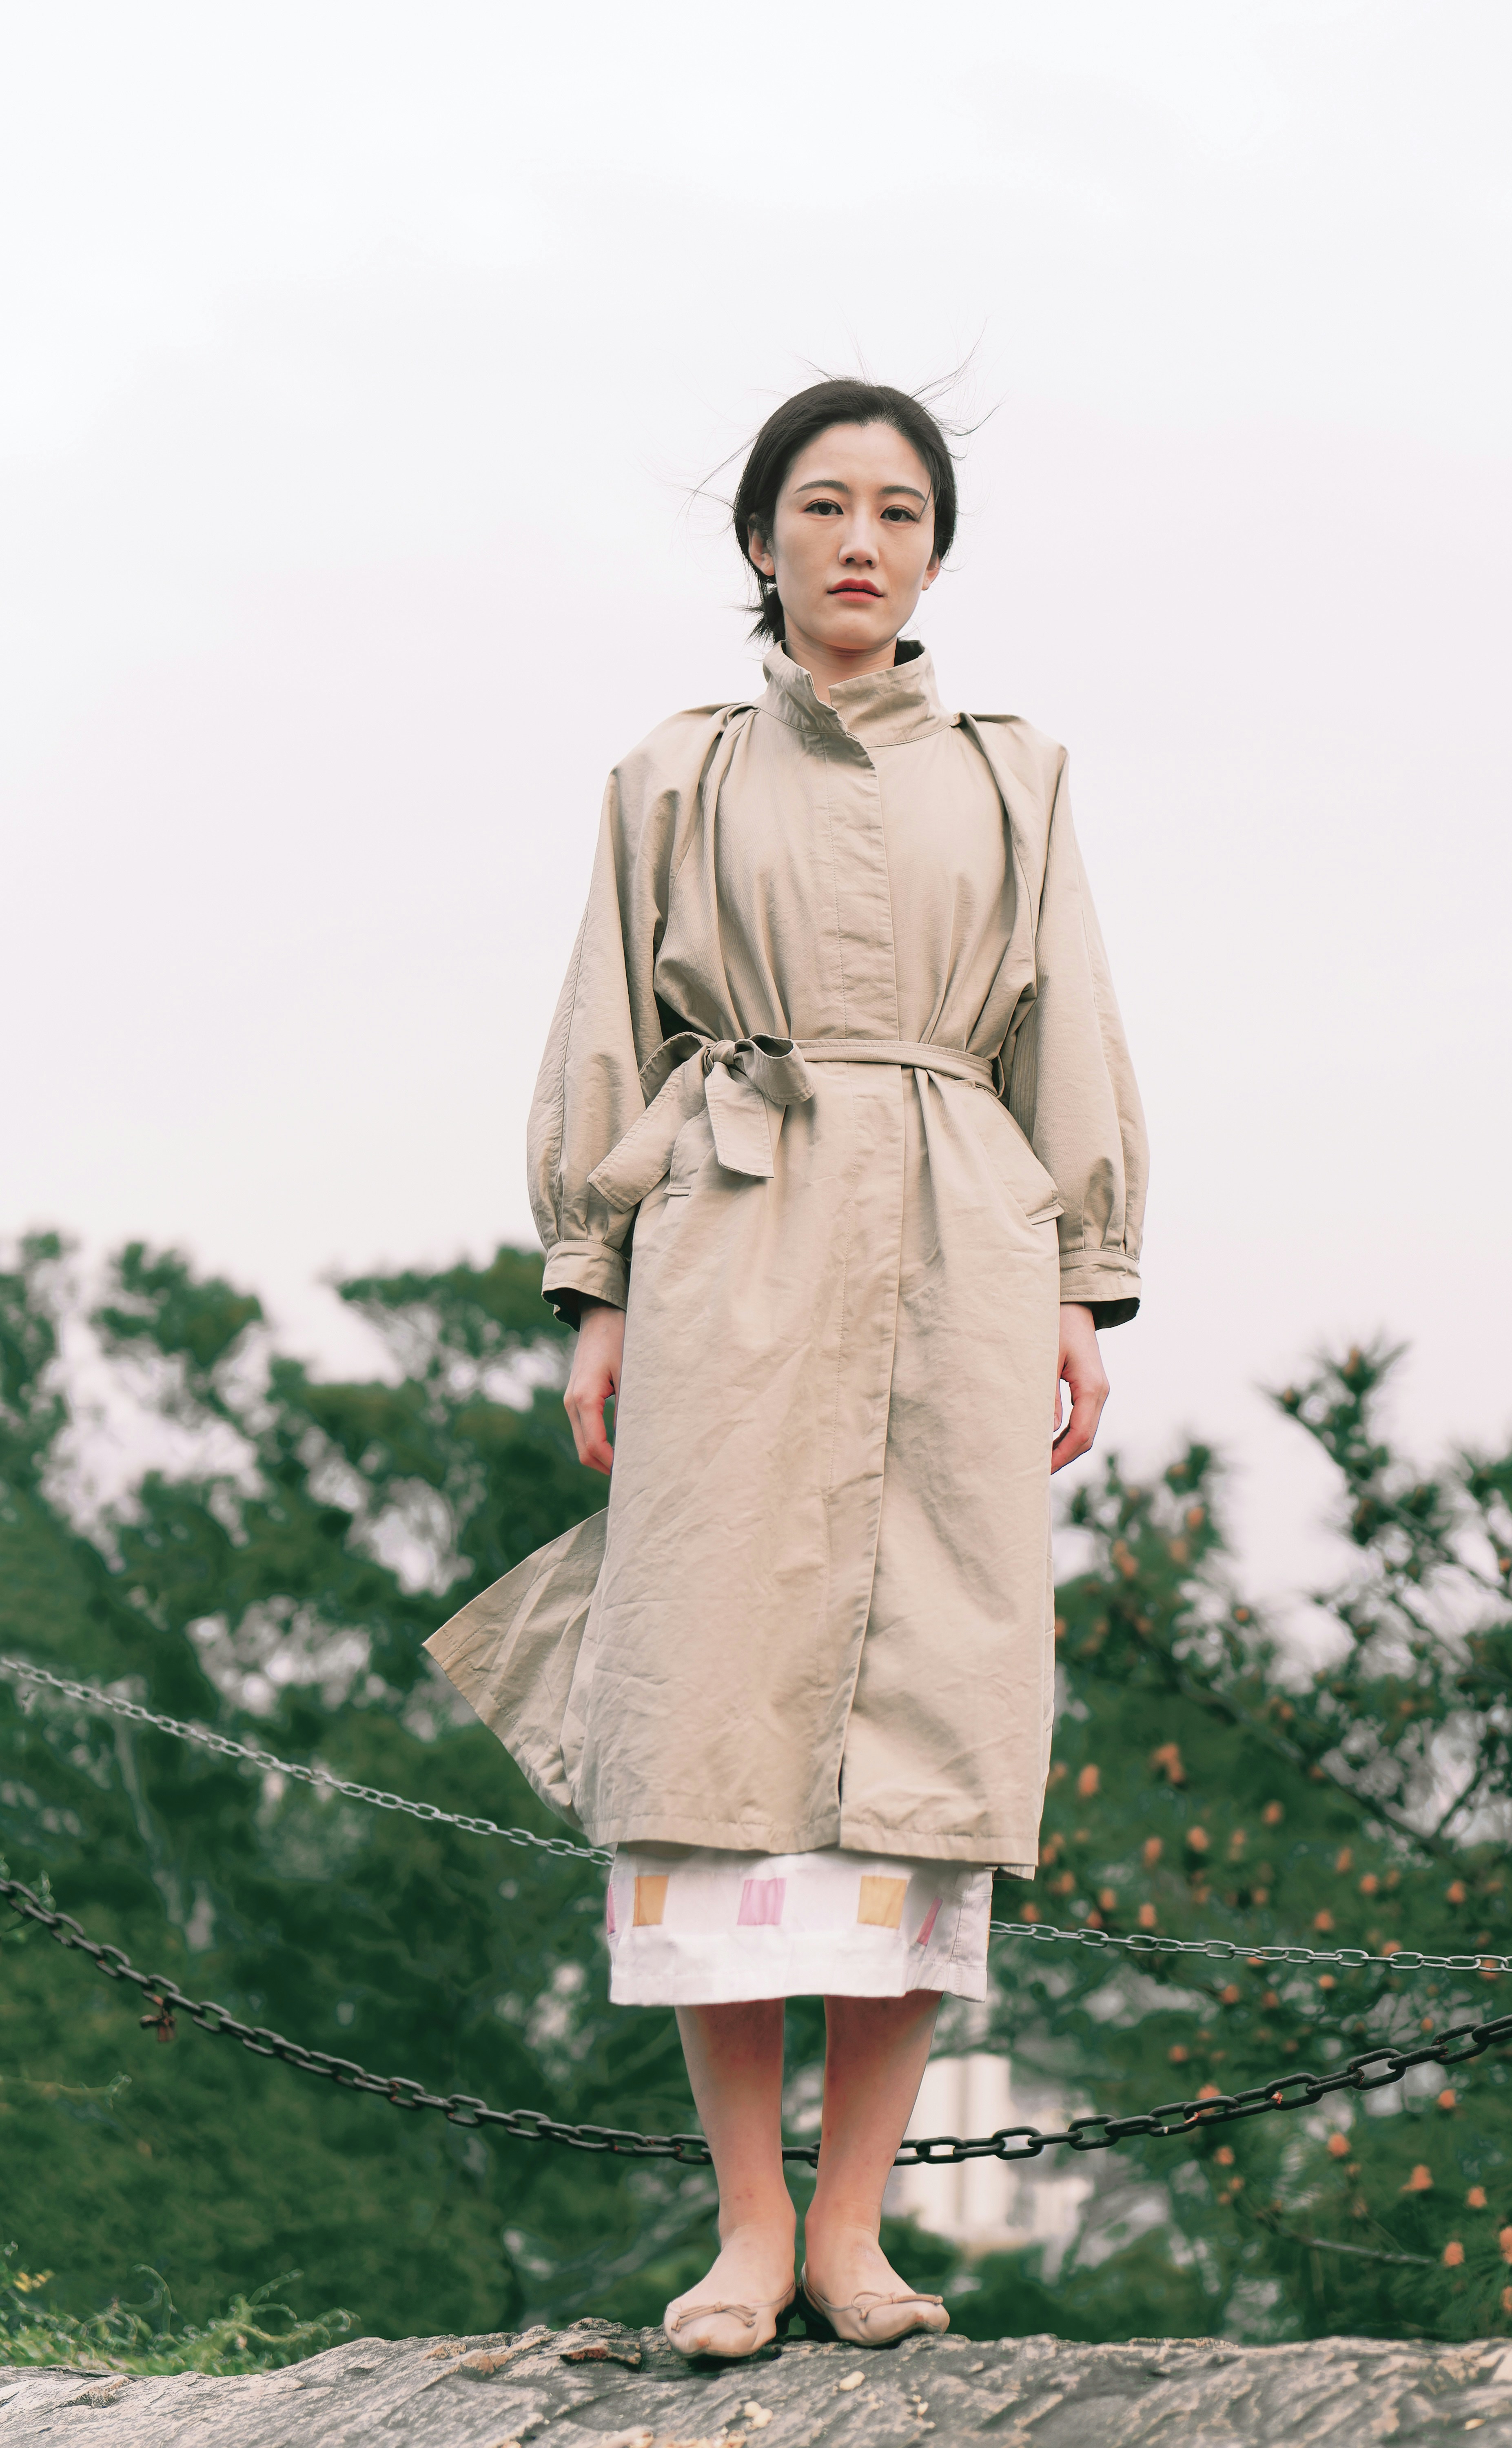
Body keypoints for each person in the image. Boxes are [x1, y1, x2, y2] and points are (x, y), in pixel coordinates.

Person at [428, 377, 1147, 2358]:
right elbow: (603, 1022)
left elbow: (1061, 1026)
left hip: (954, 1253)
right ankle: (746, 2231)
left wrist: (1081, 1281)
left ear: (931, 552)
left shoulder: (1020, 773)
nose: (859, 539)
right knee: (710, 1734)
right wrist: (596, 1285)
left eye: (898, 510)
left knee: (932, 1728)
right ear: (759, 540)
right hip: (731, 1235)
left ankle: (855, 2233)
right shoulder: (673, 775)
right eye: (820, 505)